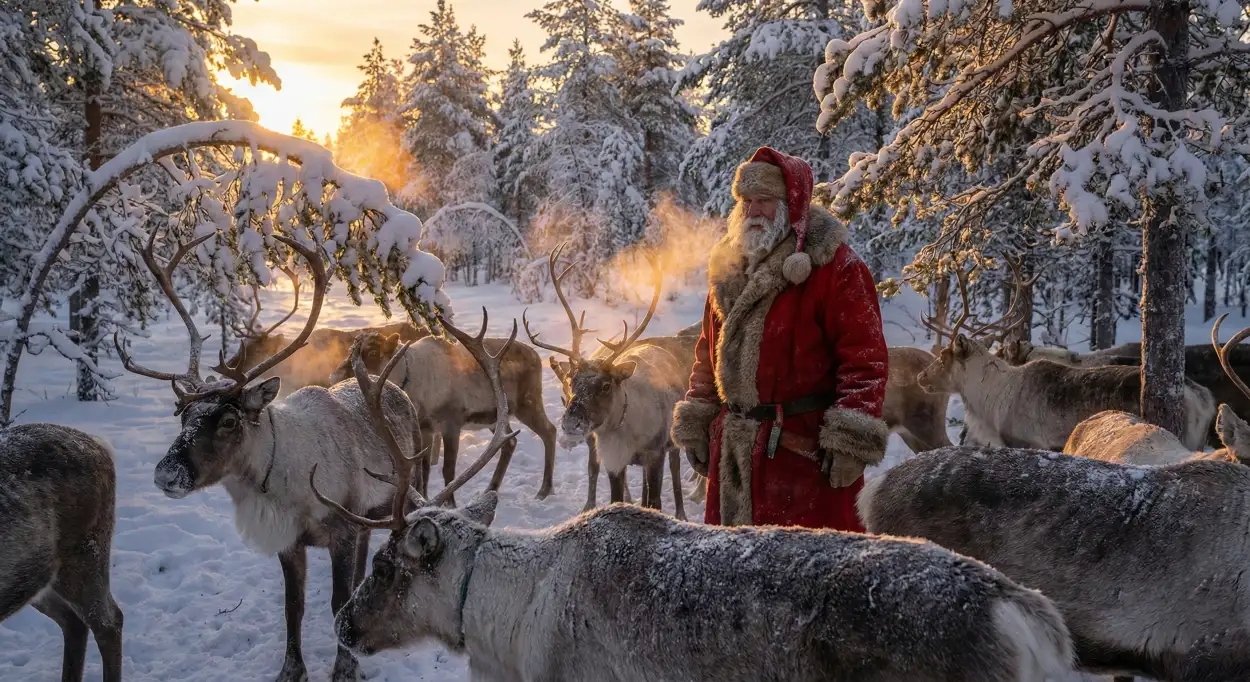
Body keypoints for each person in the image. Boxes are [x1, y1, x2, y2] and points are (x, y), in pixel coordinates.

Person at [670, 146, 889, 530]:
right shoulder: (728, 269)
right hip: (735, 456)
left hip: (803, 455)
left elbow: (865, 362)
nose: (754, 211)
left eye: (766, 201)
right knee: (733, 571)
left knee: (810, 574)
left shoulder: (836, 268)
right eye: (747, 201)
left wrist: (850, 440)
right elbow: (707, 354)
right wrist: (699, 419)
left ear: (793, 204)